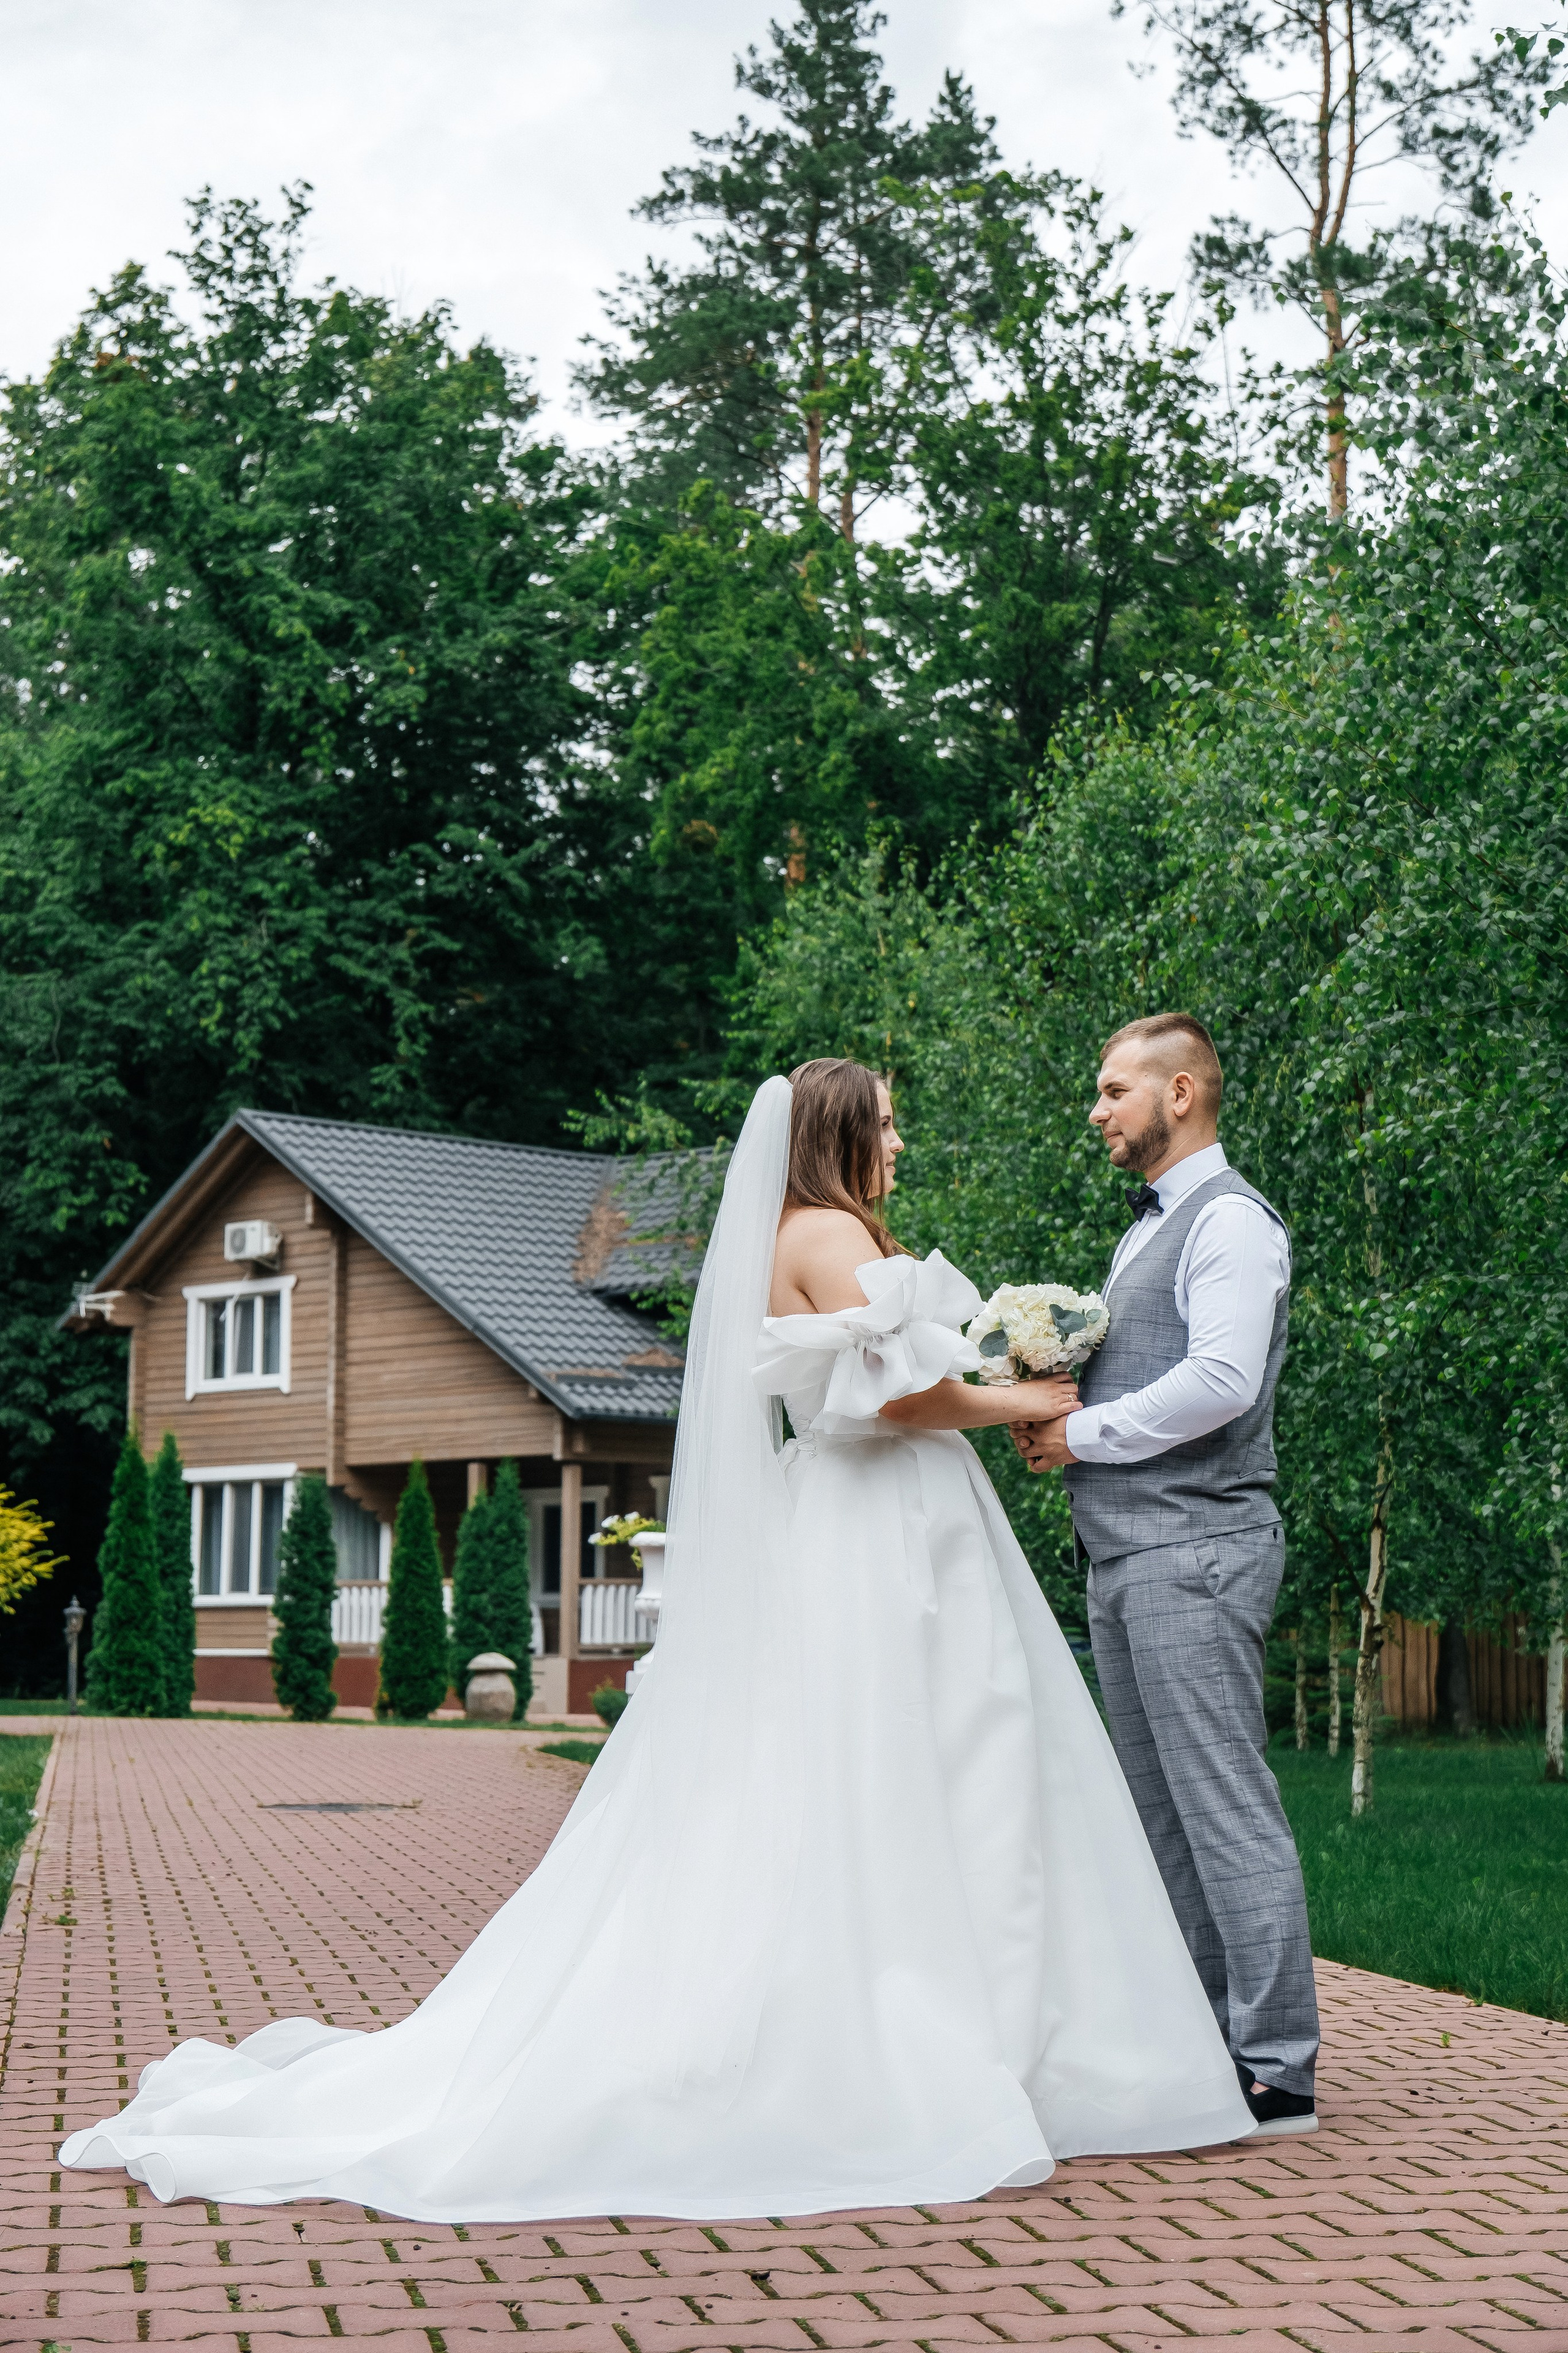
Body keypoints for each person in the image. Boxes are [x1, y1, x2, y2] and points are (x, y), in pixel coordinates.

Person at [61, 1059, 1252, 2224]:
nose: (897, 1145)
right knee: (923, 1763)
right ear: (837, 1132)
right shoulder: (830, 1237)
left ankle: (961, 2010)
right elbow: (893, 1401)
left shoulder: (817, 1233)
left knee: (911, 1763)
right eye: (882, 1127)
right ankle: (940, 2025)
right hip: (884, 1524)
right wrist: (1020, 1402)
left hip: (871, 1518)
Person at [1015, 1014, 1320, 2137]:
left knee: (1224, 1808)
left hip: (1195, 1551)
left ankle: (1279, 2065)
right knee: (1162, 1817)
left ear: (1180, 1092)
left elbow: (1222, 1382)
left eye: (1111, 1091)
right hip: (1129, 1555)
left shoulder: (1230, 1223)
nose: (1096, 1111)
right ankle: (1209, 2040)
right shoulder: (1145, 1230)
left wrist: (1082, 1434)